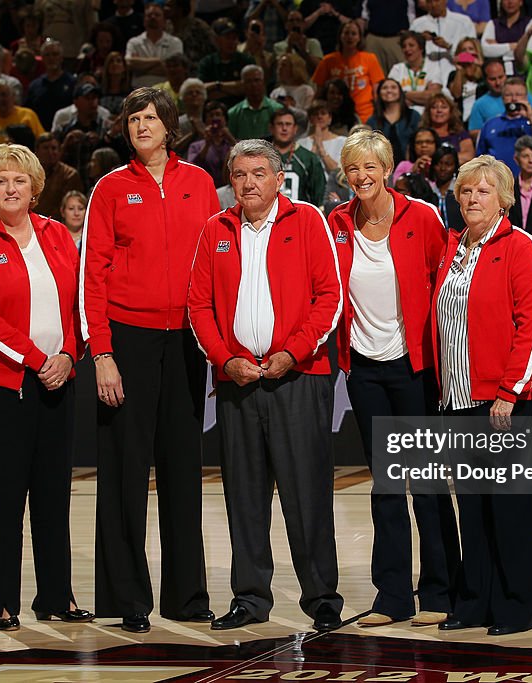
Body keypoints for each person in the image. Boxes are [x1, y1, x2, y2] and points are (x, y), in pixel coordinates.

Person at [187, 138, 344, 632]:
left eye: (258, 173)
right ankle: (250, 599)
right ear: (229, 181)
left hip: (297, 377)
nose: (249, 183)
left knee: (307, 496)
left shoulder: (309, 222)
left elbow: (329, 298)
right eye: (239, 174)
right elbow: (199, 306)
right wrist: (225, 358)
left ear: (280, 180)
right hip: (237, 381)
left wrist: (292, 352)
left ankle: (321, 600)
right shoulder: (216, 228)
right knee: (244, 496)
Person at [81, 87, 219, 634]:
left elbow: (214, 266)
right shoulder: (110, 188)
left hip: (186, 340)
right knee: (123, 472)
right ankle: (125, 597)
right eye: (133, 119)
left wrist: (215, 343)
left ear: (170, 126)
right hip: (128, 340)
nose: (141, 126)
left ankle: (187, 597)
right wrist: (103, 353)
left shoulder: (200, 184)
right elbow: (91, 276)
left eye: (151, 118)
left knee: (184, 471)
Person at [0, 144, 91, 632]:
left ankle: (56, 596)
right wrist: (38, 360)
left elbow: (79, 304)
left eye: (19, 181)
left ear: (35, 188)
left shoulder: (57, 235)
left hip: (59, 378)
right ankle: (4, 602)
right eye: (0, 181)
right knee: (7, 495)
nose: (10, 189)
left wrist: (69, 356)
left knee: (54, 493)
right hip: (0, 387)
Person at [328, 130, 457, 629]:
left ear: (388, 169)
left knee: (425, 482)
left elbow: (444, 281)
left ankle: (441, 592)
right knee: (386, 484)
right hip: (363, 369)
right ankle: (392, 596)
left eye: (370, 167)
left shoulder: (421, 216)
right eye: (353, 169)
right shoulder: (336, 222)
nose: (361, 177)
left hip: (413, 367)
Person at [432, 154, 532, 637]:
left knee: (512, 509)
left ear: (503, 198)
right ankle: (474, 601)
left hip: (507, 402)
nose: (472, 198)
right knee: (474, 508)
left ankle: (516, 606)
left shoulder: (521, 246)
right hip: (458, 398)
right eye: (465, 191)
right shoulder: (452, 249)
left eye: (483, 190)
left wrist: (510, 390)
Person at [475, 77, 532, 176]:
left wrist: (531, 118)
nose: (514, 99)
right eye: (509, 95)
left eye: (519, 95)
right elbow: (479, 158)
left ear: (526, 97)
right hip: (498, 182)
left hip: (529, 182)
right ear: (502, 98)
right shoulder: (490, 124)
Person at [312, 20, 385, 122]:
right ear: (340, 36)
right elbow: (319, 92)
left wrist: (379, 113)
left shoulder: (370, 58)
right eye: (346, 33)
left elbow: (376, 91)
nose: (349, 37)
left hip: (365, 114)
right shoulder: (328, 60)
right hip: (335, 115)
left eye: (353, 34)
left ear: (359, 38)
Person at [388, 31, 453, 113]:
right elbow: (390, 96)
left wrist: (403, 94)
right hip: (402, 115)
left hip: (427, 116)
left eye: (411, 45)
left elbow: (433, 96)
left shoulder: (433, 67)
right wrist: (422, 95)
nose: (407, 49)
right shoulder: (397, 69)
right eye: (404, 46)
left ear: (421, 48)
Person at [125, 2, 185, 89]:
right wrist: (158, 61)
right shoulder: (134, 42)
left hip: (165, 92)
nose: (153, 17)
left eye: (157, 15)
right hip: (139, 91)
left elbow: (173, 70)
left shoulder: (175, 42)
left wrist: (140, 68)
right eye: (149, 15)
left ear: (164, 21)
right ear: (144, 20)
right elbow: (129, 63)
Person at [199, 17, 255, 105]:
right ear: (216, 39)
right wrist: (234, 90)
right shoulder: (207, 63)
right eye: (228, 38)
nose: (232, 42)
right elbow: (201, 90)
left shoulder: (246, 60)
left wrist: (217, 86)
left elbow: (248, 87)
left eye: (234, 38)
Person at [228, 65, 284, 141]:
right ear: (243, 84)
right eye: (249, 81)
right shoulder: (233, 113)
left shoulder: (277, 109)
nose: (253, 85)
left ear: (263, 82)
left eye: (257, 80)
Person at [409, 0, 476, 64]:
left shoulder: (464, 22)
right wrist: (420, 40)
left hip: (456, 72)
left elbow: (472, 57)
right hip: (426, 73)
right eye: (429, 1)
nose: (433, 5)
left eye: (437, 0)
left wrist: (448, 47)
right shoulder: (417, 25)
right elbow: (409, 55)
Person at [418, 93, 473, 164]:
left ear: (451, 111)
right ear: (428, 112)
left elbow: (469, 156)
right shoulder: (420, 134)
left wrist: (439, 160)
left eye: (444, 107)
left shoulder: (460, 134)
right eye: (434, 107)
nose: (439, 111)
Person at [429, 144, 463, 231]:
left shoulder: (462, 192)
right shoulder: (427, 193)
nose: (443, 168)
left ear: (455, 166)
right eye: (439, 164)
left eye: (448, 164)